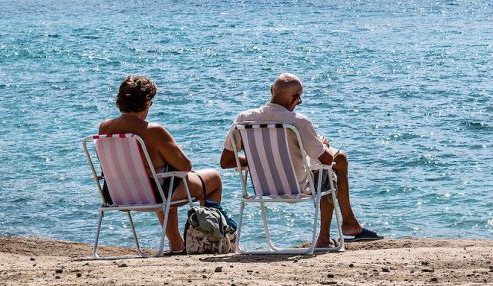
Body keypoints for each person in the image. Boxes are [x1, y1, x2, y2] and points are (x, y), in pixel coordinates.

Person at [220, 73, 382, 248]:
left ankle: (350, 223)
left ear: (271, 91)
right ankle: (326, 237)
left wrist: (259, 161)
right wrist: (323, 144)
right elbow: (326, 160)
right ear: (295, 98)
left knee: (338, 159)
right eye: (299, 100)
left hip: (263, 187)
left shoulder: (243, 119)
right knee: (330, 170)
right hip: (299, 186)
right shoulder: (298, 121)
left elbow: (227, 161)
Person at [100, 75, 223, 255]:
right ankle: (204, 239)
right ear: (147, 102)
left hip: (117, 194)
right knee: (213, 179)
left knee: (163, 179)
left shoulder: (105, 128)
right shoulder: (154, 131)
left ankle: (176, 244)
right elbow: (185, 165)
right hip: (154, 194)